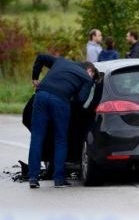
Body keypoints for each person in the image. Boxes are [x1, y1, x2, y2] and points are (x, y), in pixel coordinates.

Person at [28, 54, 96, 188]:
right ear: (90, 71)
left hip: (41, 95)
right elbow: (80, 100)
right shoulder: (87, 78)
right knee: (60, 140)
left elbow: (41, 57)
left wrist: (35, 77)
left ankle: (33, 178)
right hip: (60, 100)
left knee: (37, 138)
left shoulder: (61, 62)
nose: (91, 78)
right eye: (92, 75)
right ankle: (58, 180)